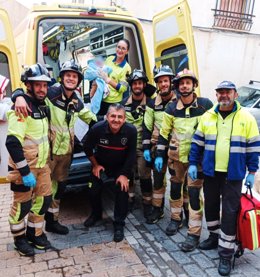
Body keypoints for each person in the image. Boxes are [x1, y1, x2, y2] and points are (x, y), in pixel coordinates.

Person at [11, 60, 97, 235]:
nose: (71, 79)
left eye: (74, 76)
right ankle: (32, 231)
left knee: (57, 191)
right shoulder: (50, 93)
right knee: (40, 194)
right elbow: (29, 93)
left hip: (66, 154)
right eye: (68, 75)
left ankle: (52, 222)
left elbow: (90, 118)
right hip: (47, 155)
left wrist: (98, 134)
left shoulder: (76, 100)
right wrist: (17, 95)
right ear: (62, 77)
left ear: (78, 80)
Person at [188, 81, 260, 276]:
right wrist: (193, 163)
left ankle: (226, 253)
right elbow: (197, 143)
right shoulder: (208, 116)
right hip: (211, 172)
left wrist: (252, 173)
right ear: (217, 95)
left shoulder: (246, 118)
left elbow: (253, 147)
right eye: (220, 92)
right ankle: (213, 236)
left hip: (233, 174)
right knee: (210, 204)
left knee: (229, 211)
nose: (224, 96)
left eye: (228, 92)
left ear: (235, 95)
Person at [155, 69, 213, 249]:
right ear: (177, 87)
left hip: (198, 161)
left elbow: (213, 131)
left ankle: (194, 233)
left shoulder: (206, 105)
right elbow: (164, 134)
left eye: (188, 82)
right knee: (175, 189)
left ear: (194, 85)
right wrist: (159, 155)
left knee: (195, 195)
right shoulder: (171, 108)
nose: (185, 86)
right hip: (176, 159)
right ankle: (175, 219)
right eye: (181, 83)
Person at [6, 64, 52, 256]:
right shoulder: (21, 108)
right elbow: (12, 143)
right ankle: (19, 239)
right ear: (28, 86)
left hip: (42, 166)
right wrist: (25, 172)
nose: (42, 89)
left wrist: (17, 94)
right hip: (24, 170)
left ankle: (35, 233)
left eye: (45, 85)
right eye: (37, 85)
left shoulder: (42, 105)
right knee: (22, 206)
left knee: (44, 201)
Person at [83, 104, 137, 242]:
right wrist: (95, 165)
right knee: (92, 188)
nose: (116, 120)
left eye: (120, 117)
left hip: (121, 167)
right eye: (113, 116)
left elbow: (131, 155)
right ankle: (96, 214)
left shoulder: (131, 131)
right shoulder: (97, 129)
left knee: (122, 189)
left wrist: (125, 174)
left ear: (124, 119)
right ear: (107, 117)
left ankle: (119, 224)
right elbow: (87, 147)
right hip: (102, 165)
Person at [142, 65, 176, 224]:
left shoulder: (179, 101)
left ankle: (180, 214)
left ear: (171, 82)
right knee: (158, 180)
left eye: (166, 81)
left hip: (176, 149)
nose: (163, 84)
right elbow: (147, 127)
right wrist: (147, 148)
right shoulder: (151, 104)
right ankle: (158, 209)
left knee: (178, 182)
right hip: (158, 149)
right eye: (160, 81)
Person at [121, 69, 156, 218]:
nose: (137, 86)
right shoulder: (123, 104)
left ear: (144, 84)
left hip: (144, 147)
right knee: (128, 175)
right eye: (134, 83)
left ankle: (147, 204)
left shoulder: (151, 103)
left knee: (144, 176)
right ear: (131, 85)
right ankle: (130, 199)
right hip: (128, 148)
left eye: (140, 83)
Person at [96, 39, 131, 115]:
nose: (120, 50)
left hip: (114, 103)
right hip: (101, 99)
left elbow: (123, 88)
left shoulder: (126, 68)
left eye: (123, 48)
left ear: (127, 51)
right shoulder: (109, 59)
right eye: (118, 47)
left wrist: (108, 80)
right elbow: (102, 69)